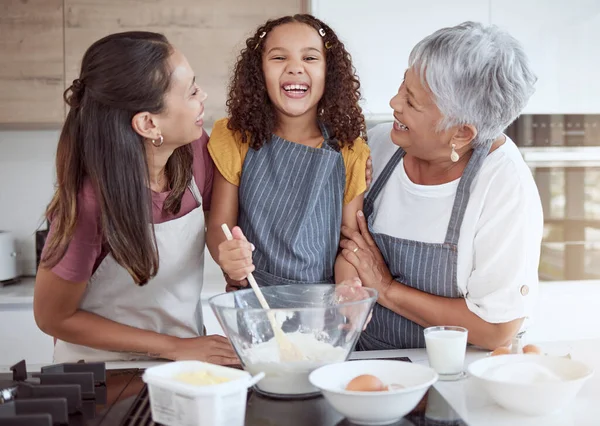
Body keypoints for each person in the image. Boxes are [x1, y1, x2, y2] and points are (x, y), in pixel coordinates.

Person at [34, 31, 238, 364]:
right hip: (100, 375)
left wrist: (233, 259)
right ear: (148, 123)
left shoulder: (197, 152)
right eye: (190, 92)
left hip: (182, 362)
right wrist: (172, 346)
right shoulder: (91, 204)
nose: (203, 96)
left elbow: (221, 228)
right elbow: (52, 317)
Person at [339, 21, 543, 351]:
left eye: (412, 101)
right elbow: (344, 243)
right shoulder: (378, 146)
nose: (394, 102)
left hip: (454, 374)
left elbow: (497, 330)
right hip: (366, 361)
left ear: (461, 133)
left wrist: (388, 290)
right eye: (402, 86)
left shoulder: (503, 185)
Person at [206, 14, 370, 289]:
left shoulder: (351, 151)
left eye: (310, 58)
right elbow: (219, 227)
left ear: (329, 71)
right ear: (259, 71)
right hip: (253, 298)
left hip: (322, 306)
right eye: (279, 58)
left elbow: (349, 245)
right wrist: (230, 260)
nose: (295, 68)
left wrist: (348, 287)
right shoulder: (235, 137)